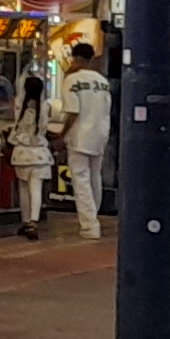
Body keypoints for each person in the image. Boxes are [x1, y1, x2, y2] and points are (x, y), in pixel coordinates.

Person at [54, 39, 112, 236]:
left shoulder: (71, 80)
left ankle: (89, 225)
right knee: (95, 177)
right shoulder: (103, 82)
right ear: (91, 59)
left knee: (81, 180)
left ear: (74, 58)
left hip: (79, 135)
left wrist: (62, 135)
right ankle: (93, 217)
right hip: (100, 133)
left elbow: (72, 112)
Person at [4, 60, 52, 244]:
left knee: (23, 188)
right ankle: (34, 221)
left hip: (22, 153)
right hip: (40, 153)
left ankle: (25, 221)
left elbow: (15, 129)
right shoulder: (45, 107)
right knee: (36, 188)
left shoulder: (19, 104)